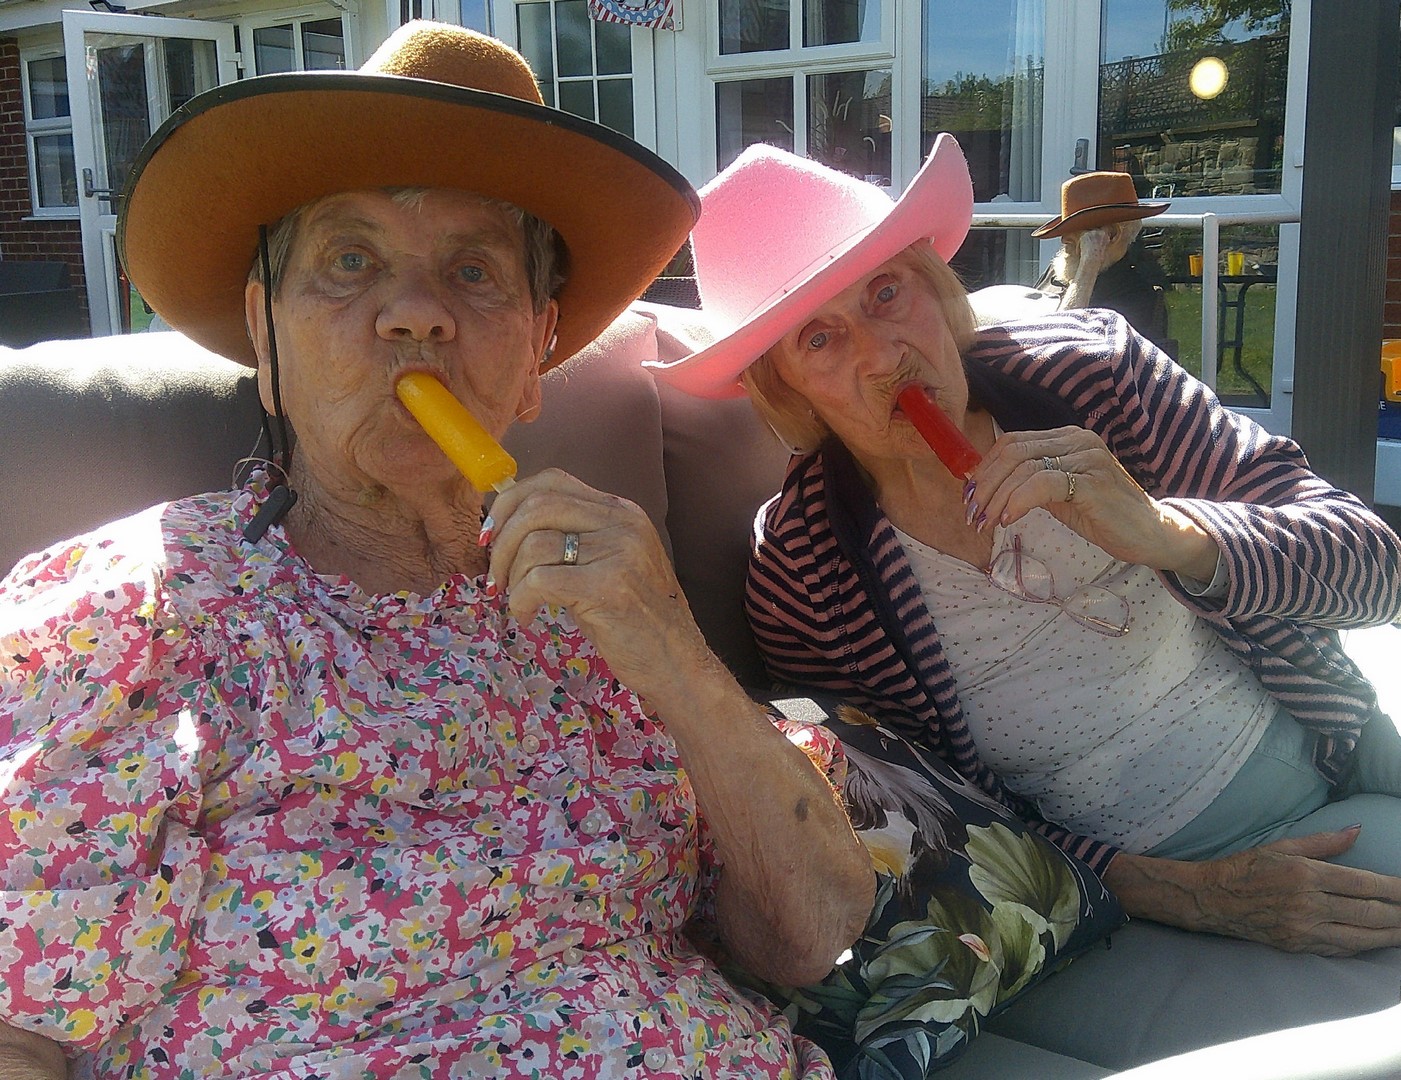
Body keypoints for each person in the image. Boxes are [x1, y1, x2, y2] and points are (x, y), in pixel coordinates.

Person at [0, 23, 875, 1080]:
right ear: (265, 336)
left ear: (537, 353)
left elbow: (807, 938)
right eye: (350, 261)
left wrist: (677, 659)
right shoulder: (139, 616)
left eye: (472, 271)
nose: (417, 315)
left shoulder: (602, 591)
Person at [646, 135, 1401, 957]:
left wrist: (1171, 535)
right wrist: (1187, 895)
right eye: (818, 340)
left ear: (935, 287)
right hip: (1157, 876)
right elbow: (930, 814)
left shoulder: (1095, 378)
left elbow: (1375, 572)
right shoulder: (806, 572)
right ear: (783, 387)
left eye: (886, 292)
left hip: (1331, 733)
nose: (883, 355)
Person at [1032, 170, 1176, 356]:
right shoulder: (1057, 270)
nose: (1064, 239)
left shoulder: (1139, 299)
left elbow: (1055, 352)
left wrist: (1089, 264)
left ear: (1112, 235)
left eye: (1076, 228)